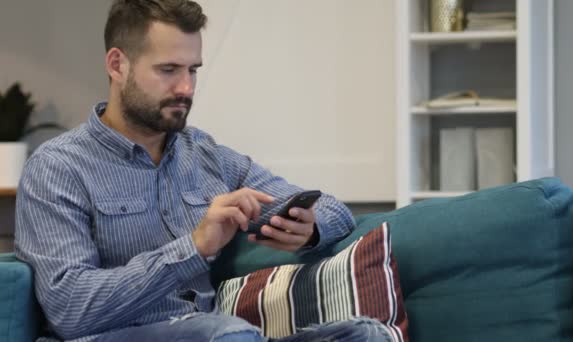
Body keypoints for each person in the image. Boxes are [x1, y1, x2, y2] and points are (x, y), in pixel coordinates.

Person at [15, 1, 393, 341]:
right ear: (117, 65)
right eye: (168, 70)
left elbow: (332, 208)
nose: (186, 87)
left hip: (216, 334)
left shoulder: (205, 156)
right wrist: (194, 247)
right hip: (117, 336)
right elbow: (71, 311)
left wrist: (308, 229)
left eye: (193, 70)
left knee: (365, 334)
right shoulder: (57, 168)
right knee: (227, 334)